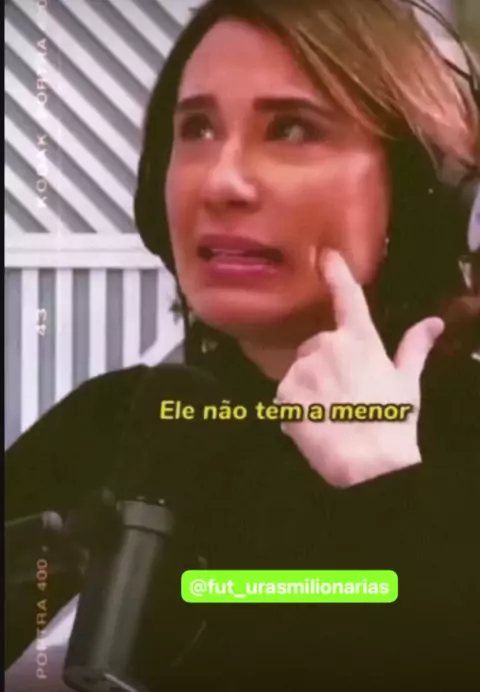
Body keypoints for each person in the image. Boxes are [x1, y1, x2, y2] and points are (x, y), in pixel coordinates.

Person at [5, 0, 480, 689]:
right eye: (196, 128)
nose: (221, 181)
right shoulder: (114, 424)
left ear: (417, 190)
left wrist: (387, 489)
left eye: (292, 128)